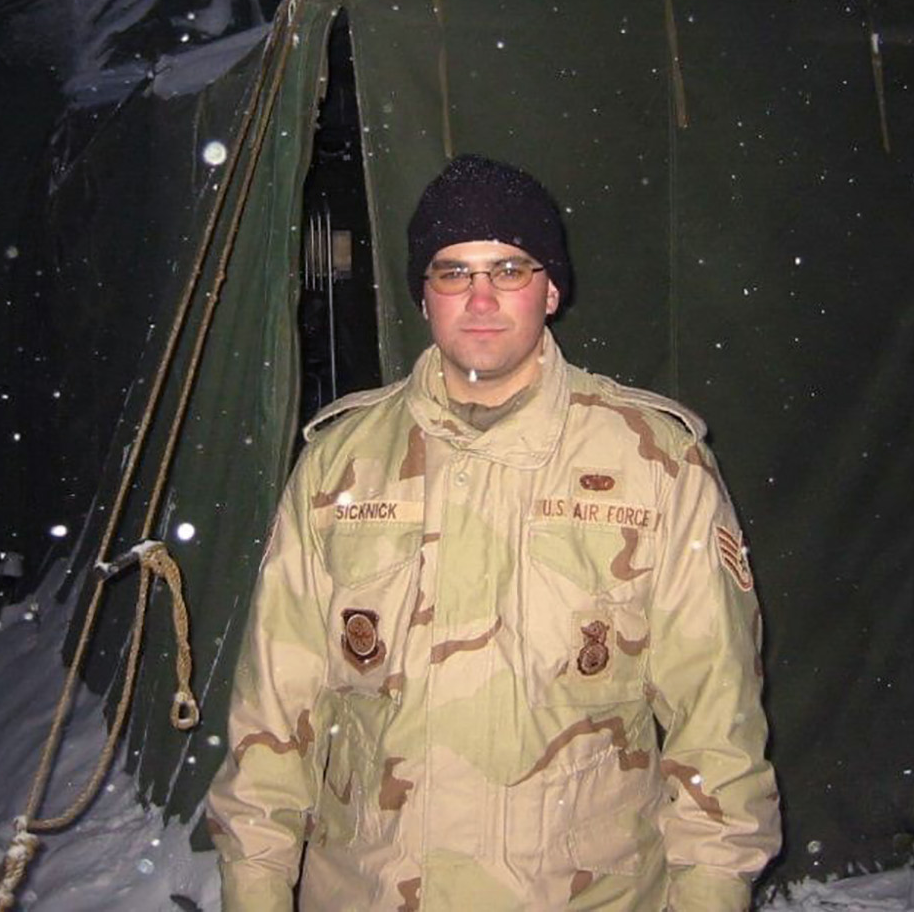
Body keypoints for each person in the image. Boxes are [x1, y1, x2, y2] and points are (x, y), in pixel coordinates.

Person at [207, 155, 780, 911]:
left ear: (551, 289)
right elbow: (273, 715)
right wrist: (255, 890)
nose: (480, 299)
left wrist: (709, 894)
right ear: (424, 294)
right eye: (453, 272)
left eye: (509, 268)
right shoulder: (340, 465)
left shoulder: (655, 464)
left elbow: (717, 720)